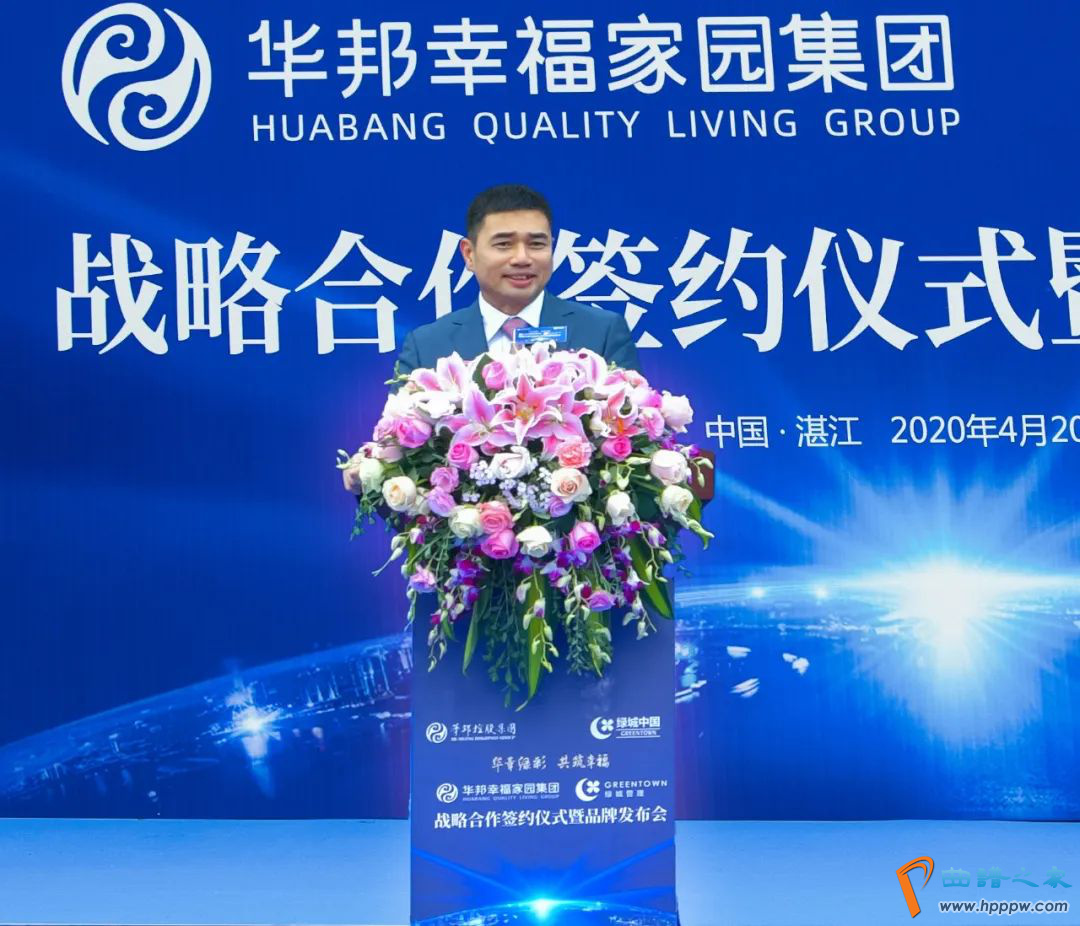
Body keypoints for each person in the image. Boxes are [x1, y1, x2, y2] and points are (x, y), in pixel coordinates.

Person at [396, 184, 640, 374]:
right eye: (504, 244)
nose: (522, 258)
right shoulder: (427, 346)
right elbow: (402, 425)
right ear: (469, 254)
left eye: (536, 244)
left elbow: (631, 420)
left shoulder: (602, 332)